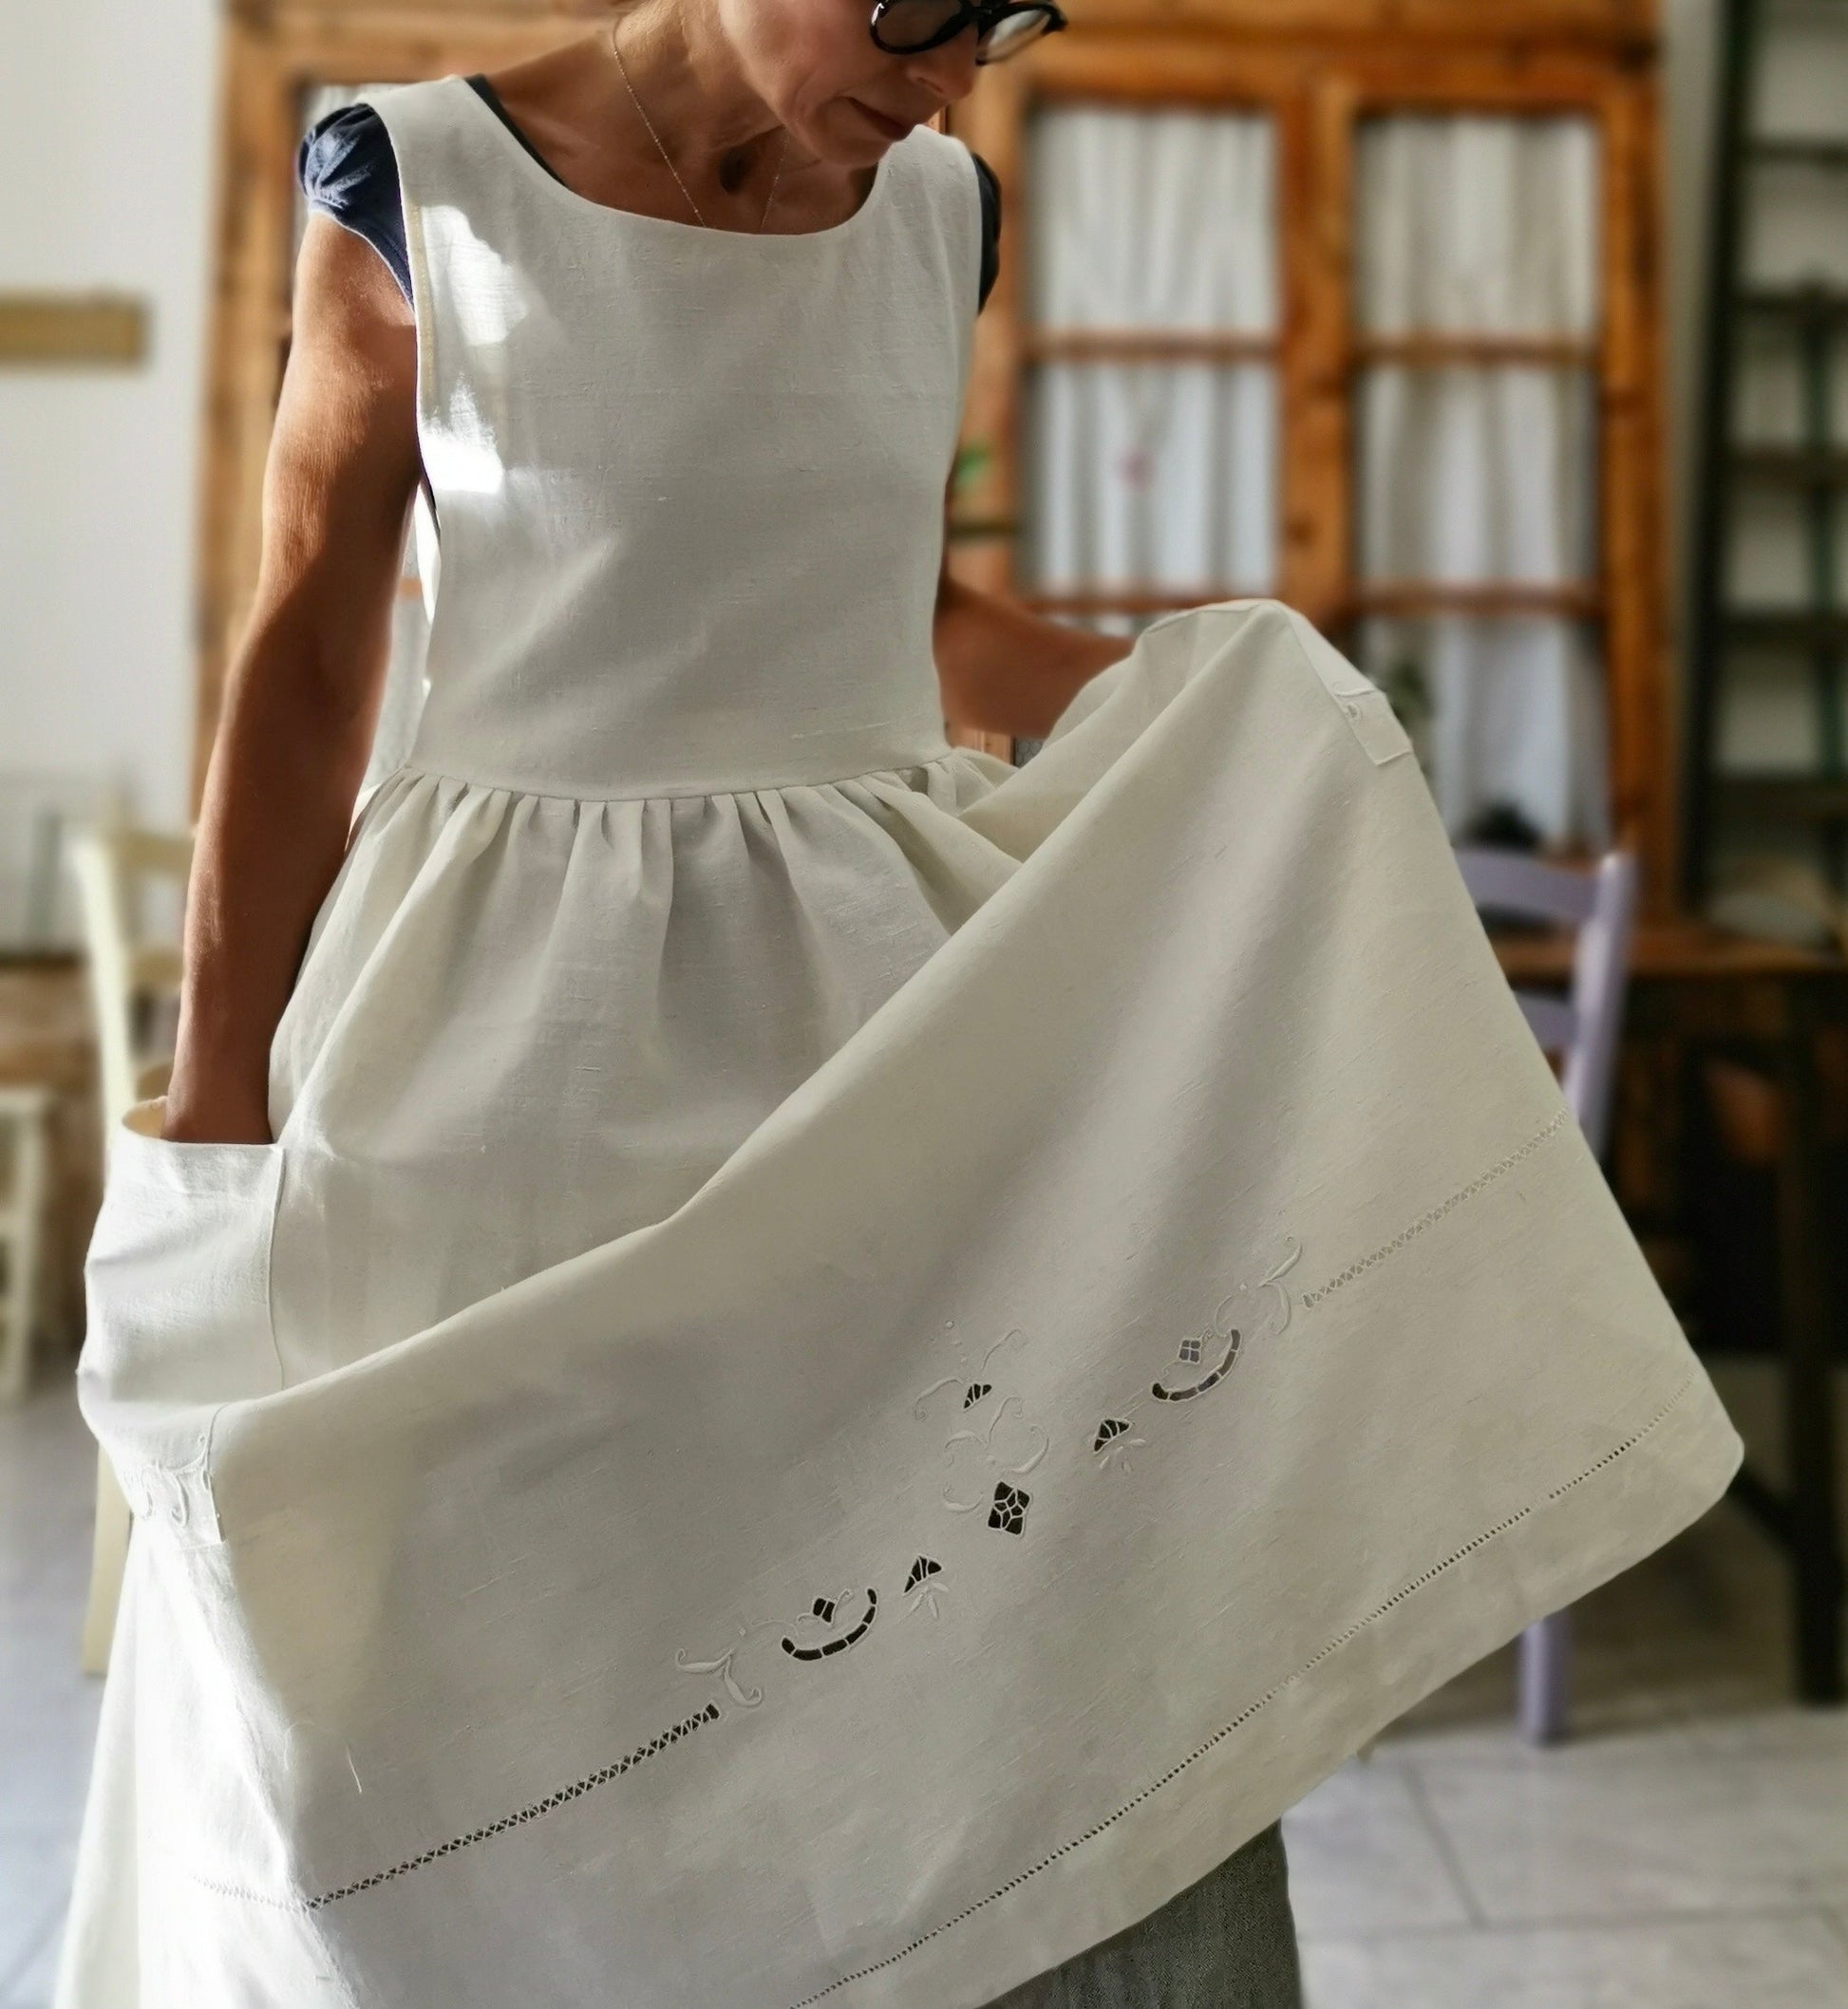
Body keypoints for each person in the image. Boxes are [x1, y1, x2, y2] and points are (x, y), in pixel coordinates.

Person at [58, 0, 1741, 2002]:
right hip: (501, 1020)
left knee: (1006, 1602)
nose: (949, 74)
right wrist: (215, 1119)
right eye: (915, 5)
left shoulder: (945, 212)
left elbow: (899, 600)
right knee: (485, 1622)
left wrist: (1225, 707)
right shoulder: (419, 185)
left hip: (879, 1005)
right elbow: (309, 651)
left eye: (1004, 20)